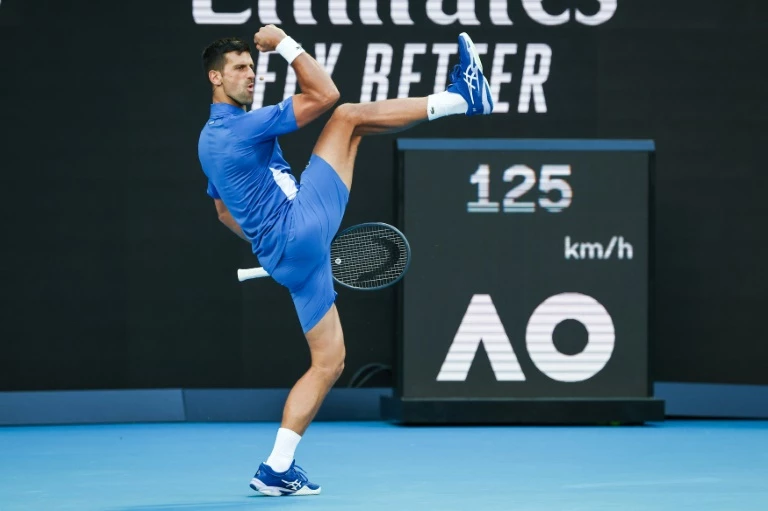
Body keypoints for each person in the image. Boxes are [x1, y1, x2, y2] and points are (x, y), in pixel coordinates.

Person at [197, 25, 493, 497]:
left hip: (286, 258)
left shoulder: (207, 144)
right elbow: (326, 94)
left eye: (253, 66)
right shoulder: (242, 126)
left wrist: (271, 251)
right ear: (215, 78)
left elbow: (223, 212)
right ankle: (462, 98)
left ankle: (276, 467)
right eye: (239, 68)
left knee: (328, 362)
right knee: (346, 117)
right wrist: (284, 44)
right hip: (300, 230)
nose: (251, 74)